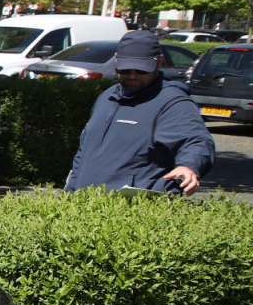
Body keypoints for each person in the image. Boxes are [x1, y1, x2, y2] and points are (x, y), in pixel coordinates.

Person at [63, 30, 213, 194]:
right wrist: (71, 190)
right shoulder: (107, 96)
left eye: (142, 70)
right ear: (117, 60)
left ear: (159, 62)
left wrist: (188, 166)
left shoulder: (173, 103)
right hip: (86, 202)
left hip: (132, 205)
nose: (132, 76)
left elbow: (197, 141)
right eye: (125, 70)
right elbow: (84, 152)